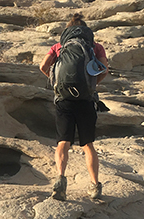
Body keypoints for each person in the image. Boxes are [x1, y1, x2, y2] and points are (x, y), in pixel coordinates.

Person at [39, 13, 109, 201]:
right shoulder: (95, 46)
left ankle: (60, 182)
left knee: (63, 142)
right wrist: (92, 85)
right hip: (86, 99)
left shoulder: (58, 46)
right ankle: (95, 186)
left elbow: (43, 66)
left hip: (64, 99)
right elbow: (104, 68)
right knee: (88, 145)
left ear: (67, 30)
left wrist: (56, 83)